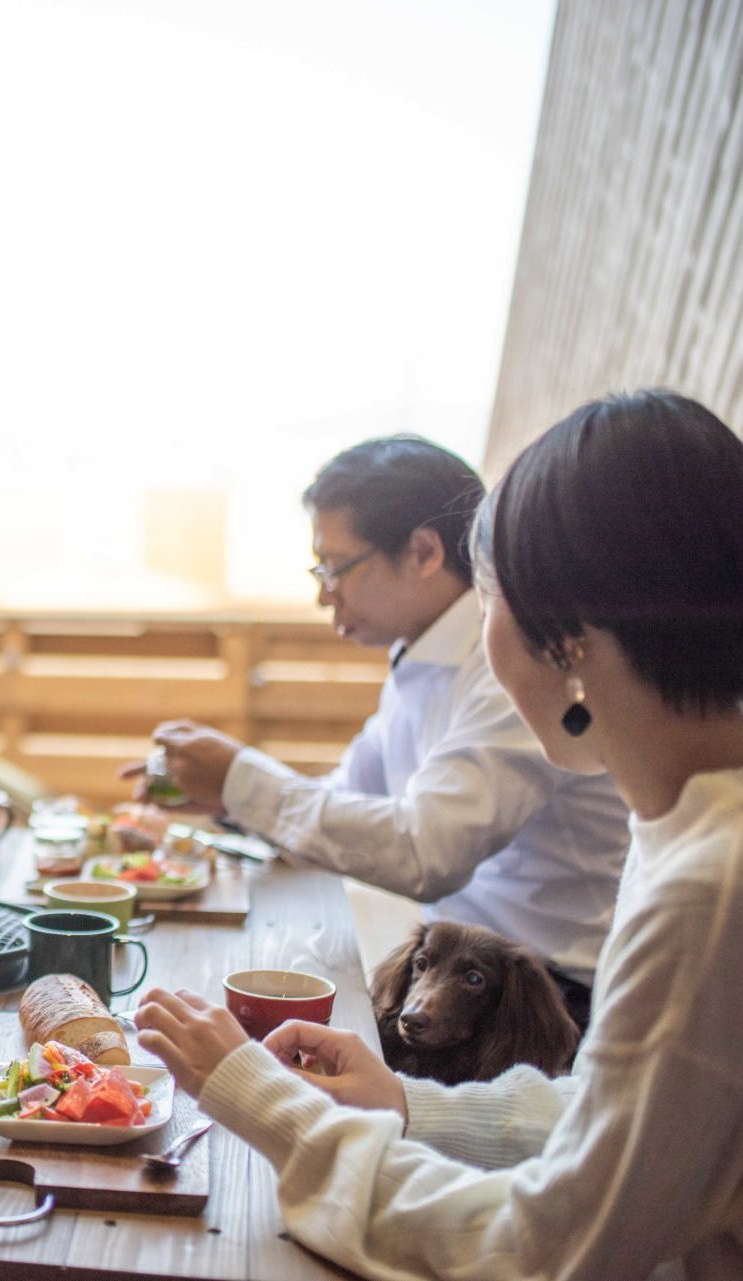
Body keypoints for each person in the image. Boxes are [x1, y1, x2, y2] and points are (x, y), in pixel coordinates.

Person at [136, 390, 743, 1278]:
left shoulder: (709, 885)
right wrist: (410, 1106)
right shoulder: (688, 827)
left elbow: (543, 1247)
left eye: (491, 594)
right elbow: (615, 1121)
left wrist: (261, 1097)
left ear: (569, 639)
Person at [132, 436, 629, 1025]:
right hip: (458, 967)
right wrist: (229, 803)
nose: (323, 593)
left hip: (545, 996)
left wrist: (242, 781)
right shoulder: (418, 657)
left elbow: (426, 851)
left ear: (423, 551)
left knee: (235, 1024)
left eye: (335, 567)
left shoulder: (509, 666)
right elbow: (349, 800)